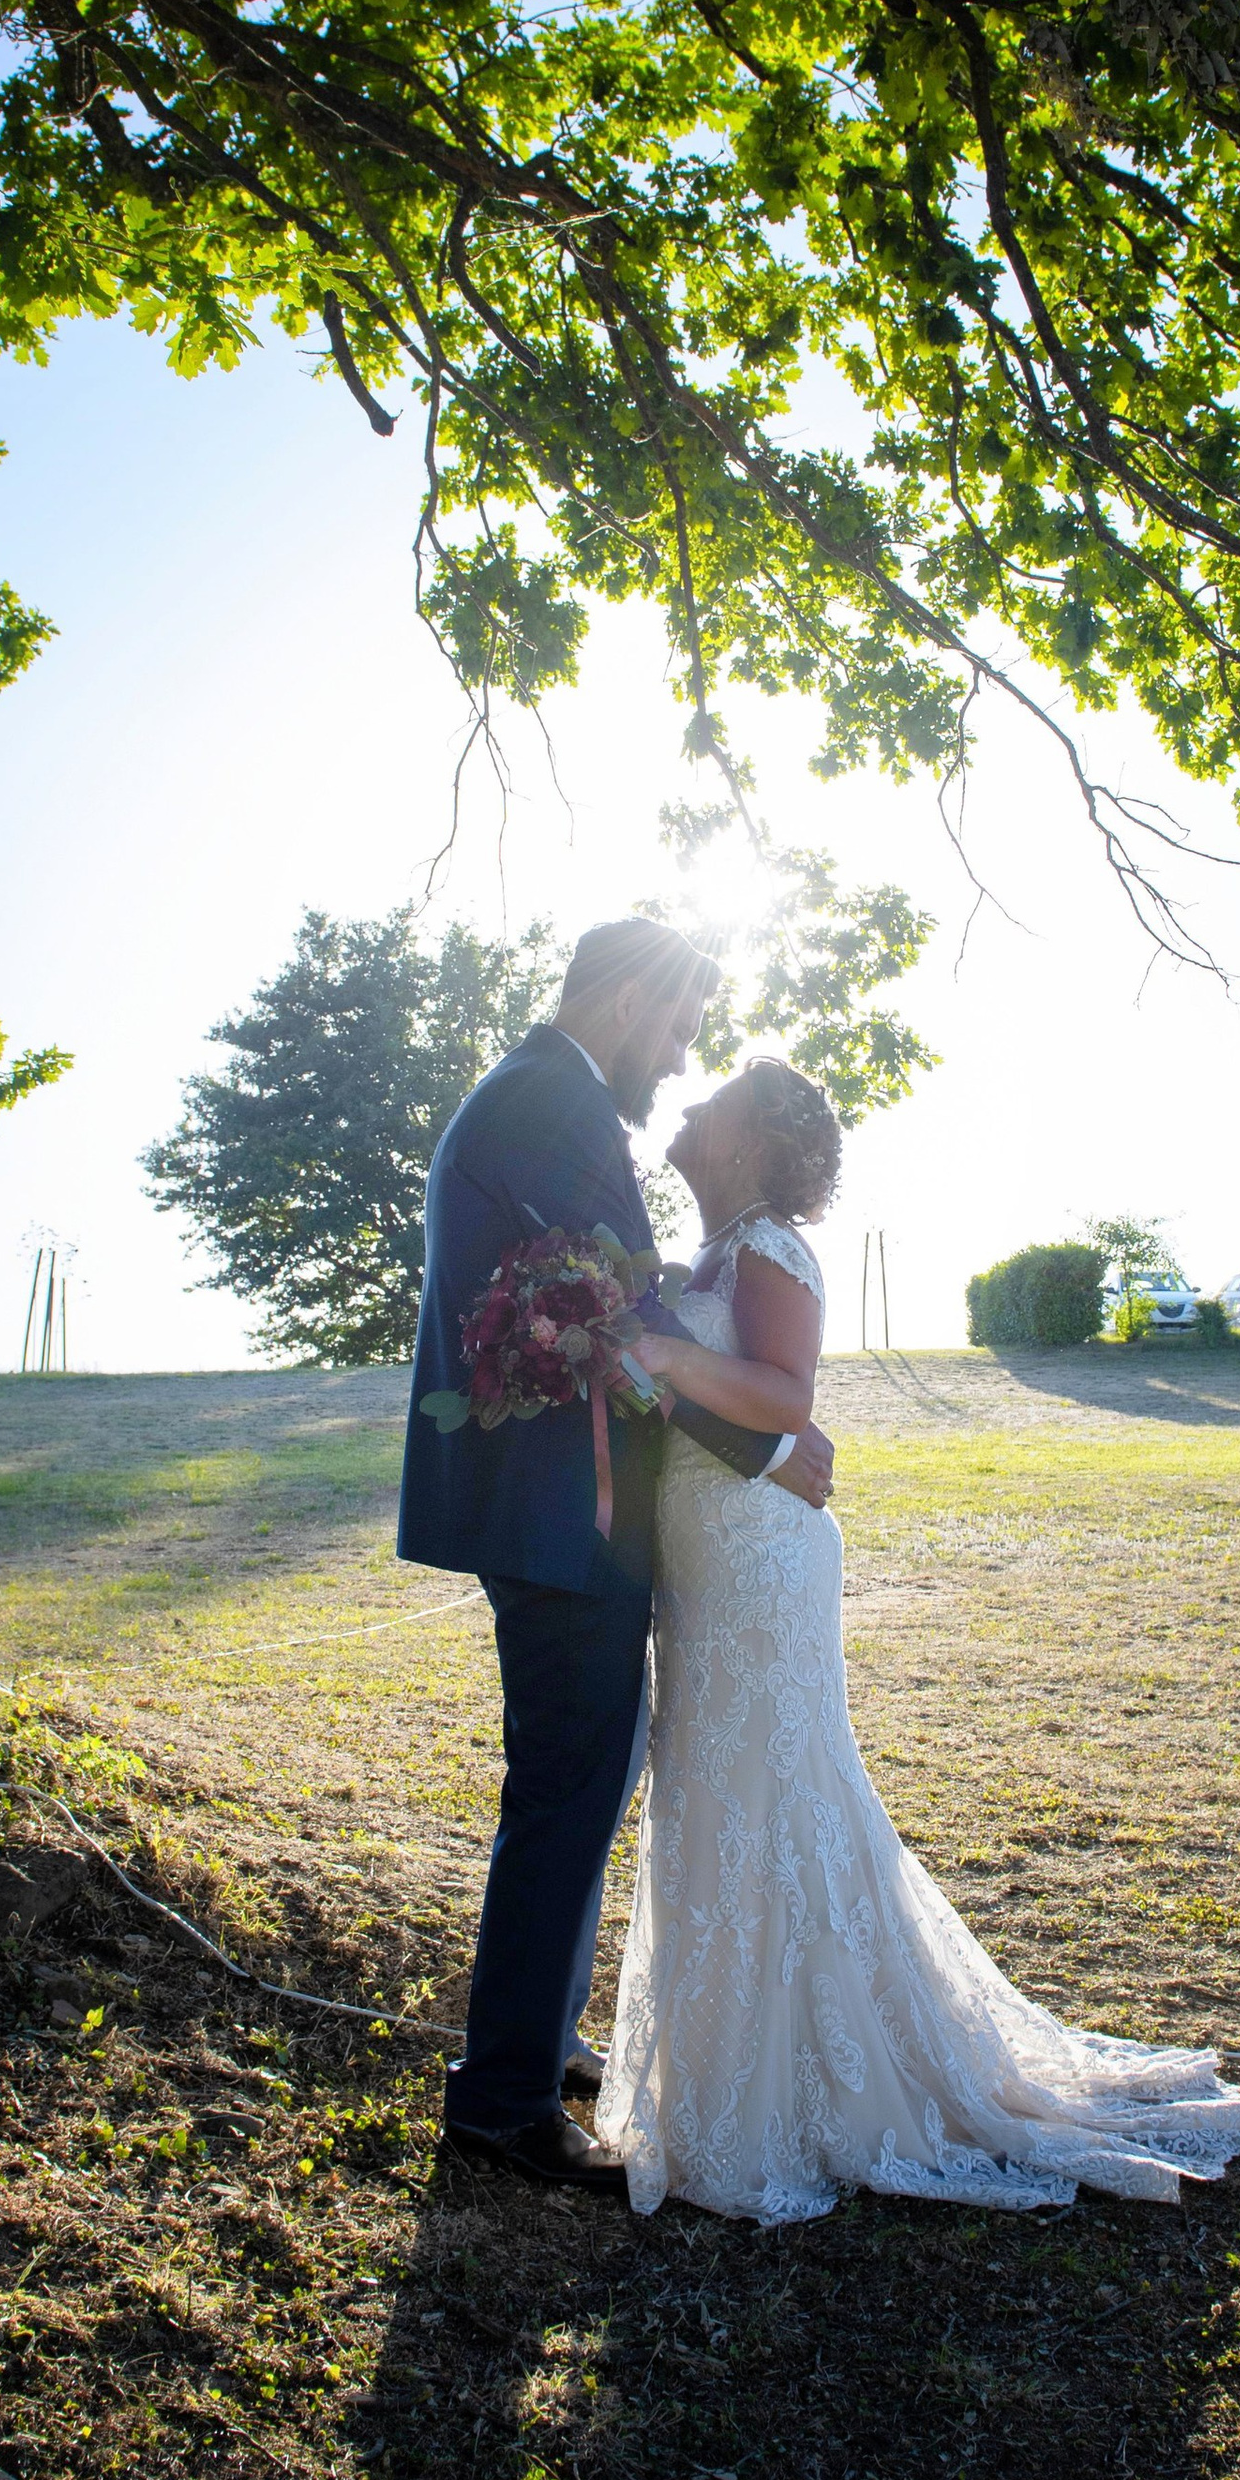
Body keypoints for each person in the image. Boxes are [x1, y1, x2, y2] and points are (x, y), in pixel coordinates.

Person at [601, 1053, 1240, 2221]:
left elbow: (782, 1394)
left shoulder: (768, 1251)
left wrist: (659, 1354)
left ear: (752, 1144)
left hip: (760, 1562)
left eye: (713, 1102)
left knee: (770, 1789)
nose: (687, 1105)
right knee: (715, 1791)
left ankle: (813, 2087)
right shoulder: (700, 1258)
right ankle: (736, 2072)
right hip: (706, 1563)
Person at [398, 919, 834, 2193]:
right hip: (555, 1512)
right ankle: (504, 2101)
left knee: (578, 1781)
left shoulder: (548, 1097)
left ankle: (529, 2047)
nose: (684, 1053)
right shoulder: (551, 1105)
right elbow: (622, 1323)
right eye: (683, 1023)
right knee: (569, 1788)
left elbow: (616, 1321)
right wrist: (762, 1452)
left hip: (561, 1509)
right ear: (626, 999)